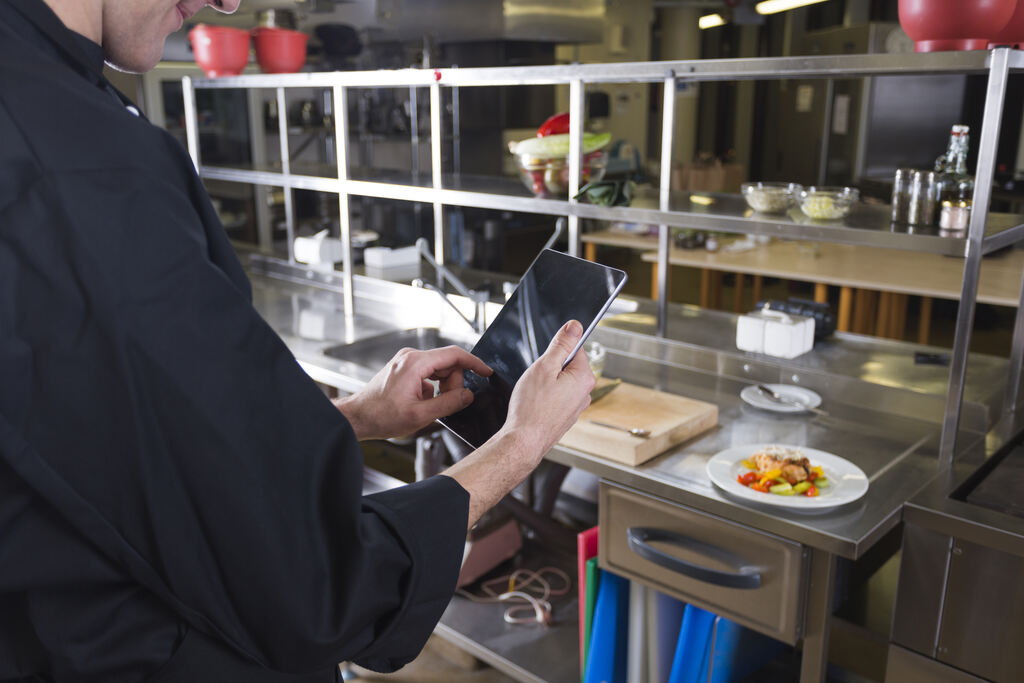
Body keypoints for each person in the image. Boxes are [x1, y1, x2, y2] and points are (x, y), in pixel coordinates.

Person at [0, 0, 596, 681]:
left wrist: (358, 416)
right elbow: (318, 580)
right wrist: (518, 445)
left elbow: (129, 457)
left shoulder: (38, 93)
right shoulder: (82, 165)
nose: (227, 4)